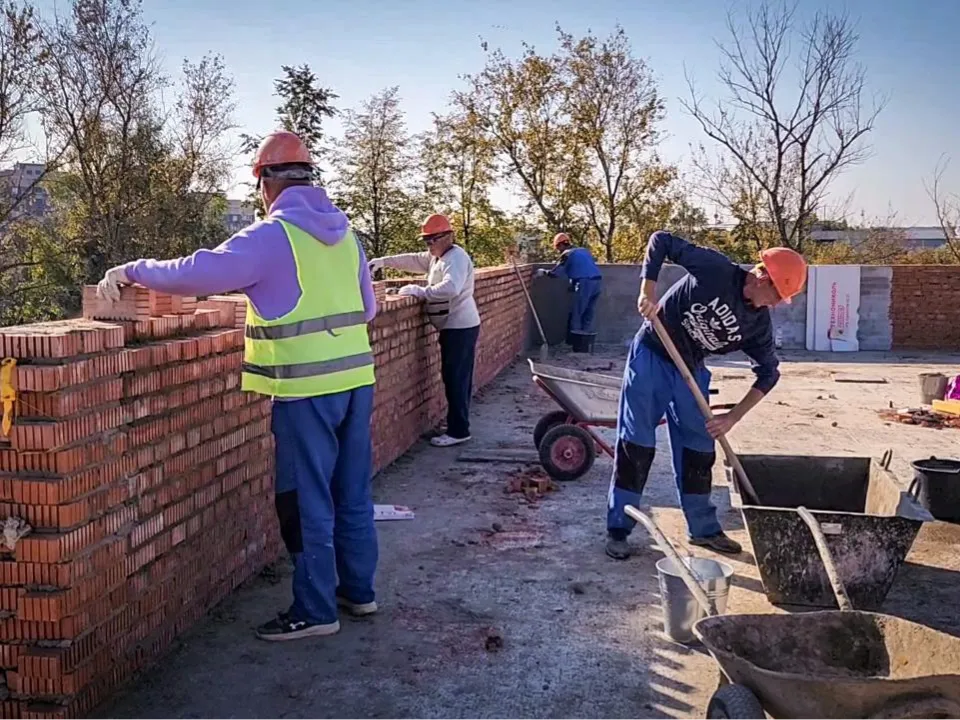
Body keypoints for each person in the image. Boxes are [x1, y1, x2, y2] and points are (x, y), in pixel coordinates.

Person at [96, 130, 381, 641]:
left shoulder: (273, 236)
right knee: (352, 491)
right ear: (309, 178)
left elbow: (199, 272)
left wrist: (132, 270)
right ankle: (358, 591)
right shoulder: (347, 236)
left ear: (266, 183)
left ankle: (316, 610)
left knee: (306, 499)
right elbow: (369, 308)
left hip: (305, 390)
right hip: (357, 381)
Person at [605, 231, 807, 560]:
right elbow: (661, 241)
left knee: (699, 447)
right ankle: (619, 528)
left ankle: (703, 529)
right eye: (776, 294)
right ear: (762, 277)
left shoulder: (757, 326)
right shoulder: (716, 270)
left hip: (691, 368)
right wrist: (647, 291)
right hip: (653, 352)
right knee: (637, 442)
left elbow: (769, 373)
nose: (775, 304)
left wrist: (732, 417)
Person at [368, 214, 480, 448]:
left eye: (433, 239)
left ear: (448, 236)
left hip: (460, 326)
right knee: (454, 377)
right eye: (426, 240)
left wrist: (421, 292)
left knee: (456, 379)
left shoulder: (456, 258)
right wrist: (383, 261)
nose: (429, 245)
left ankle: (459, 431)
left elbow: (451, 288)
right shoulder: (437, 257)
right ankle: (456, 424)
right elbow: (412, 260)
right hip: (454, 326)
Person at [536, 233, 602, 352]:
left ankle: (577, 346)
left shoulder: (567, 254)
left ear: (560, 245)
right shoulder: (583, 251)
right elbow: (582, 267)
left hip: (584, 283)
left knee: (577, 313)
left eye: (558, 248)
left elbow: (556, 273)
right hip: (597, 282)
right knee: (588, 312)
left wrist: (544, 272)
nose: (558, 251)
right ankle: (585, 345)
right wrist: (573, 285)